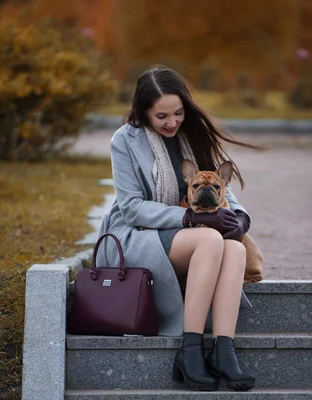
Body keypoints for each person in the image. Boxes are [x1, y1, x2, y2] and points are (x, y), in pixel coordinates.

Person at [96, 65, 259, 392]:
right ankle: (190, 350)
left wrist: (241, 217)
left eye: (178, 113)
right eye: (161, 116)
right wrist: (188, 218)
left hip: (189, 232)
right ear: (144, 113)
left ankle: (224, 350)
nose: (172, 122)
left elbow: (221, 186)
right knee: (212, 240)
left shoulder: (193, 132)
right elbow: (131, 208)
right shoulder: (125, 140)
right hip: (137, 233)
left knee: (236, 246)